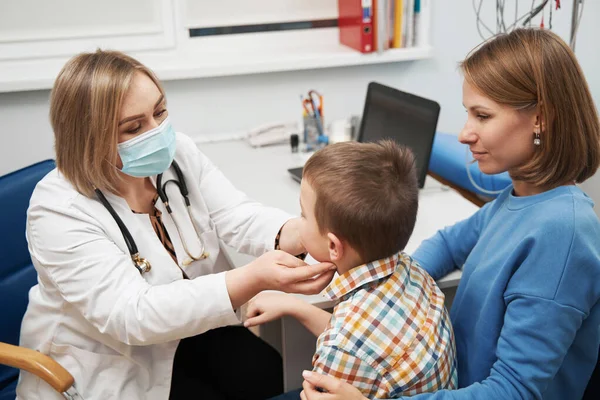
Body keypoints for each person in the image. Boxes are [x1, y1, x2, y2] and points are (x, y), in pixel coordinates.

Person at [15, 50, 336, 400]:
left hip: (191, 328)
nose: (157, 132)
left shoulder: (176, 155)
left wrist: (304, 233)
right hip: (115, 361)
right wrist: (253, 277)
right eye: (134, 127)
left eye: (160, 111)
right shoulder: (58, 210)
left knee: (265, 371)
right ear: (88, 137)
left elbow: (237, 215)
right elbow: (131, 315)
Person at [298, 28, 600, 400]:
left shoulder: (562, 235)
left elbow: (514, 391)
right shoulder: (520, 197)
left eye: (483, 116)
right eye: (467, 114)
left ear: (540, 119)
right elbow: (447, 244)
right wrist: (390, 295)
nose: (464, 134)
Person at [245, 140, 457, 398]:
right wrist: (295, 307)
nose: (298, 221)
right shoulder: (409, 270)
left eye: (303, 215)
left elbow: (346, 347)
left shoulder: (340, 347)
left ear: (333, 246)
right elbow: (363, 340)